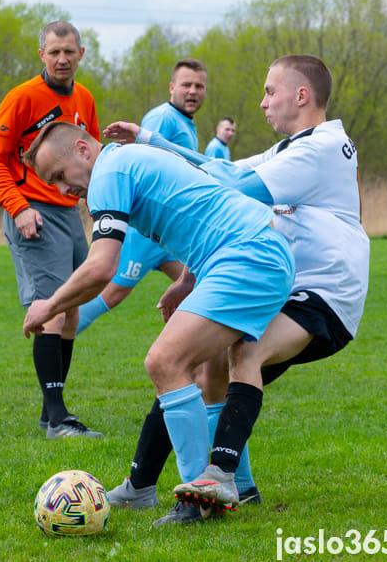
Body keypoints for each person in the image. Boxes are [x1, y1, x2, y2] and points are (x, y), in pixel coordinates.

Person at [105, 54, 369, 523]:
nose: (263, 102)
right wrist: (151, 140)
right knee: (199, 360)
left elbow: (235, 190)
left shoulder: (320, 149)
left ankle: (219, 477)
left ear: (301, 96)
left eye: (271, 92)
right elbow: (218, 169)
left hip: (325, 293)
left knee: (241, 353)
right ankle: (217, 487)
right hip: (291, 285)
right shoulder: (297, 145)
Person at [21, 120, 294, 520]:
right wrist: (186, 279)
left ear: (83, 149)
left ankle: (197, 502)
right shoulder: (130, 161)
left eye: (60, 175)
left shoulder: (108, 173)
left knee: (165, 361)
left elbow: (101, 268)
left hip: (246, 255)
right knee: (210, 370)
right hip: (258, 248)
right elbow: (205, 203)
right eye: (54, 183)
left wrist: (49, 306)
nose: (63, 190)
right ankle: (242, 487)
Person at [0, 21, 102, 439]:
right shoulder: (23, 97)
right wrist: (18, 208)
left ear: (81, 54)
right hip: (33, 213)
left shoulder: (84, 98)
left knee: (71, 312)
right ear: (42, 56)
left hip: (68, 215)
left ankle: (52, 413)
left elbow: (90, 151)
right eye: (54, 52)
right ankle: (58, 418)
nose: (62, 59)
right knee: (51, 308)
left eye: (69, 51)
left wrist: (92, 201)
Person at [77, 59, 207, 335]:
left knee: (202, 283)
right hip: (147, 233)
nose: (193, 91)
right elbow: (141, 162)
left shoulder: (185, 122)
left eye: (199, 86)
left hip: (169, 230)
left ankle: (204, 354)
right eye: (186, 85)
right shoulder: (163, 117)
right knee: (111, 295)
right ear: (172, 87)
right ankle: (56, 332)